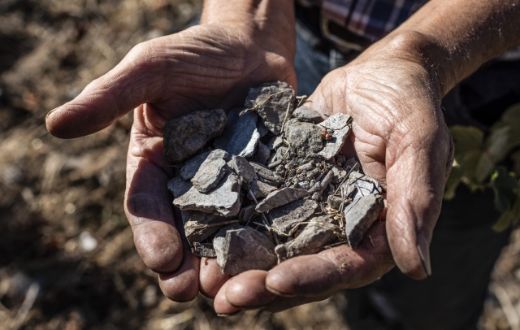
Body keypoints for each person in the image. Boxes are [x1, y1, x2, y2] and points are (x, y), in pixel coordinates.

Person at [45, 1, 520, 328]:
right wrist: (242, 20)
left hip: (478, 74)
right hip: (292, 41)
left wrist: (424, 53)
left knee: (436, 289)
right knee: (368, 260)